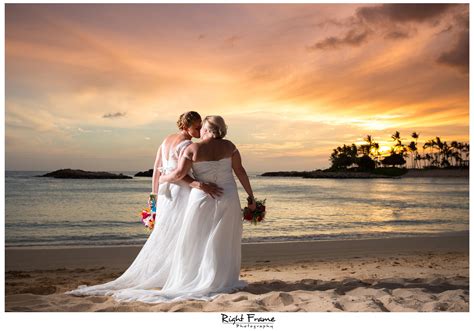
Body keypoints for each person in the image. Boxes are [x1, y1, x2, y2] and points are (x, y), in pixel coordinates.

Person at [66, 111, 223, 297]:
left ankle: (170, 272)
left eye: (200, 127)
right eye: (196, 127)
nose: (199, 130)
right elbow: (181, 176)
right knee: (182, 233)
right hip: (181, 192)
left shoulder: (166, 141)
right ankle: (177, 273)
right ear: (185, 127)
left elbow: (157, 172)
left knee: (166, 232)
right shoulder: (188, 145)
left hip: (165, 195)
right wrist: (200, 184)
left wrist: (154, 200)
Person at [110, 115, 256, 303]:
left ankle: (197, 277)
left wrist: (162, 179)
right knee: (224, 238)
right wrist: (251, 198)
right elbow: (241, 172)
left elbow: (179, 174)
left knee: (196, 238)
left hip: (202, 197)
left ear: (205, 129)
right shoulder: (230, 147)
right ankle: (222, 279)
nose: (199, 131)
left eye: (201, 127)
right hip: (228, 196)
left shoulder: (193, 148)